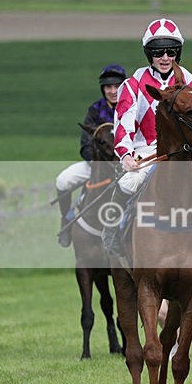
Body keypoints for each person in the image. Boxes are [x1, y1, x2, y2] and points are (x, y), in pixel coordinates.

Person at [102, 18, 192, 257]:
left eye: (171, 51)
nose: (165, 57)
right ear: (149, 54)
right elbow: (123, 123)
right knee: (128, 182)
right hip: (146, 150)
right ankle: (112, 229)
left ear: (178, 53)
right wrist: (125, 154)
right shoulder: (132, 84)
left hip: (185, 150)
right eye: (158, 52)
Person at [55, 64, 127, 247]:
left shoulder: (131, 107)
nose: (112, 91)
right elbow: (86, 144)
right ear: (103, 88)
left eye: (116, 87)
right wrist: (98, 164)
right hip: (97, 166)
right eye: (108, 87)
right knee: (62, 181)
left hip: (125, 166)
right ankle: (66, 220)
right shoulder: (95, 109)